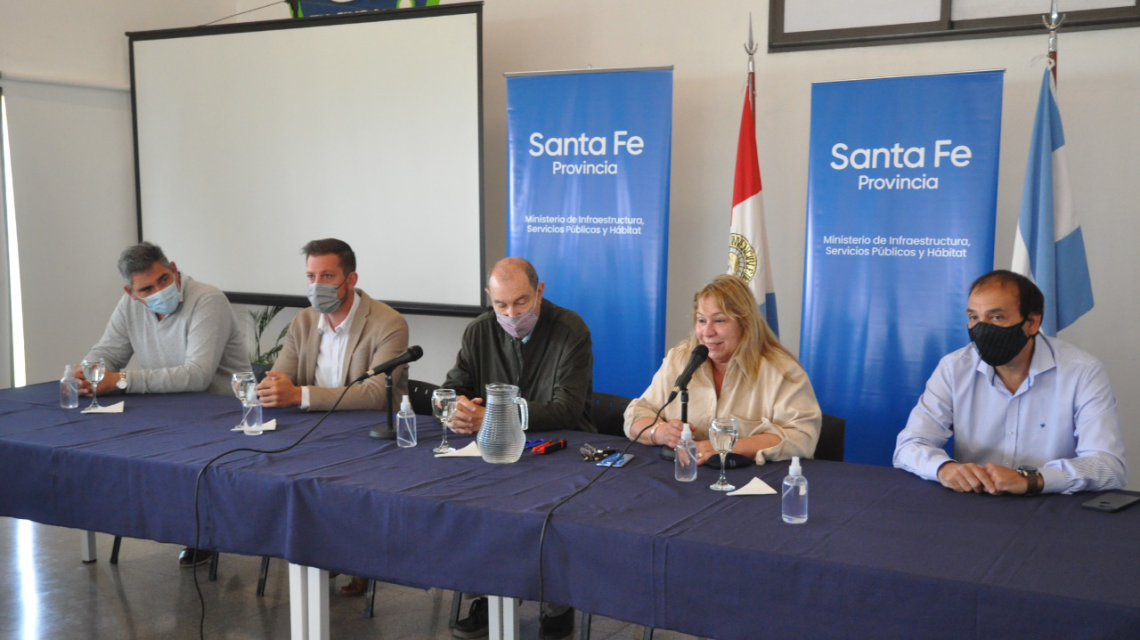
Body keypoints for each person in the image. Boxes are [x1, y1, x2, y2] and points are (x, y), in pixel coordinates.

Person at [443, 257, 592, 640]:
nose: (511, 314)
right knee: (472, 503)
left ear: (540, 291)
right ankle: (488, 595)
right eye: (501, 305)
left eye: (521, 302)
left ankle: (557, 603)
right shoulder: (479, 331)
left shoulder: (570, 329)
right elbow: (453, 388)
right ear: (489, 298)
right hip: (493, 449)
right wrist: (456, 409)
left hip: (558, 447)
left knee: (548, 512)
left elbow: (567, 408)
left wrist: (495, 414)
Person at [78, 241, 247, 567]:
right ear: (131, 293)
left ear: (174, 268)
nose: (159, 291)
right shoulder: (129, 307)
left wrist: (121, 381)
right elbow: (107, 352)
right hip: (164, 412)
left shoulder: (207, 299)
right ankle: (161, 520)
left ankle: (201, 529)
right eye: (147, 288)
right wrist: (87, 372)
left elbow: (197, 375)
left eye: (164, 280)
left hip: (220, 415)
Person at [255, 238, 408, 597]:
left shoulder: (388, 322)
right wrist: (271, 387)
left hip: (370, 436)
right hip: (314, 431)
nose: (316, 285)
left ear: (350, 279)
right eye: (311, 277)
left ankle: (350, 556)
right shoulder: (304, 320)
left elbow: (374, 394)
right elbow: (282, 376)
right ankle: (316, 552)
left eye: (327, 276)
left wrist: (298, 395)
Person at [893, 270, 1127, 495]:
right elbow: (909, 445)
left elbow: (1109, 466)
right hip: (974, 500)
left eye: (997, 317)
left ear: (1032, 323)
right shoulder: (954, 368)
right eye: (974, 317)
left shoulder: (1082, 371)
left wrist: (1032, 479)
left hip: (1049, 502)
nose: (982, 329)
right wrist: (944, 468)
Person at [624, 275, 821, 465]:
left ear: (745, 324)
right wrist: (661, 432)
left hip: (752, 480)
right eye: (701, 321)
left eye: (719, 321)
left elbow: (802, 437)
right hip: (686, 473)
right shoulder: (680, 360)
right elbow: (636, 415)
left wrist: (731, 446)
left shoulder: (782, 370)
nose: (707, 332)